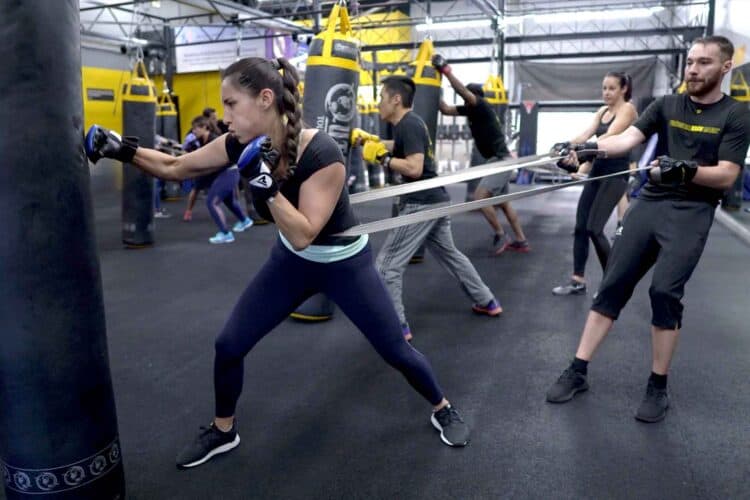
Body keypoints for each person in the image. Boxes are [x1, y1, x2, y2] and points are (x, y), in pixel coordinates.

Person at [84, 56, 471, 468]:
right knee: (229, 345)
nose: (226, 116)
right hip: (291, 264)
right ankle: (223, 430)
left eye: (232, 104)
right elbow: (176, 167)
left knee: (395, 350)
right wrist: (121, 150)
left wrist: (264, 184)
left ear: (265, 99)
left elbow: (305, 232)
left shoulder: (323, 153)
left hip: (344, 265)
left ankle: (442, 406)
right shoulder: (238, 143)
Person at [545, 36, 750, 423]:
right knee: (613, 284)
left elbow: (726, 175)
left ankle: (658, 385)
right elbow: (627, 139)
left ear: (725, 68)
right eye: (690, 62)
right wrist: (588, 149)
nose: (692, 69)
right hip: (651, 203)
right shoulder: (667, 105)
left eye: (704, 63)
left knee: (664, 293)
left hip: (693, 209)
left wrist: (687, 169)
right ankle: (578, 369)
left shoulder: (736, 114)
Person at [362, 75, 503, 342]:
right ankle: (487, 300)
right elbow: (403, 149)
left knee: (387, 266)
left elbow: (413, 169)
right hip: (436, 200)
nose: (378, 103)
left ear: (396, 99)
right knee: (451, 255)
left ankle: (397, 327)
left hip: (420, 203)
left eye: (381, 97)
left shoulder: (409, 125)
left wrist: (383, 158)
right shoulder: (409, 125)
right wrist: (371, 142)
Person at [550, 72, 638, 295]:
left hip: (615, 175)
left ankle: (613, 284)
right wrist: (567, 144)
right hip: (597, 172)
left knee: (594, 229)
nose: (606, 93)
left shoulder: (627, 109)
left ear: (623, 89)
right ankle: (578, 280)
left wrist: (580, 153)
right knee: (580, 227)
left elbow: (609, 137)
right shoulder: (602, 111)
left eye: (611, 88)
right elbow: (586, 134)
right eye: (604, 88)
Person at [433, 55, 530, 255]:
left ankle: (500, 234)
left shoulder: (481, 106)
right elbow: (444, 109)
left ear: (474, 98)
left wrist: (446, 71)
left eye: (467, 98)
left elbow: (464, 93)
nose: (464, 101)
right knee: (503, 203)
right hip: (498, 160)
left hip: (500, 161)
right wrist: (432, 86)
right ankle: (521, 240)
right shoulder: (470, 111)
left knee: (479, 198)